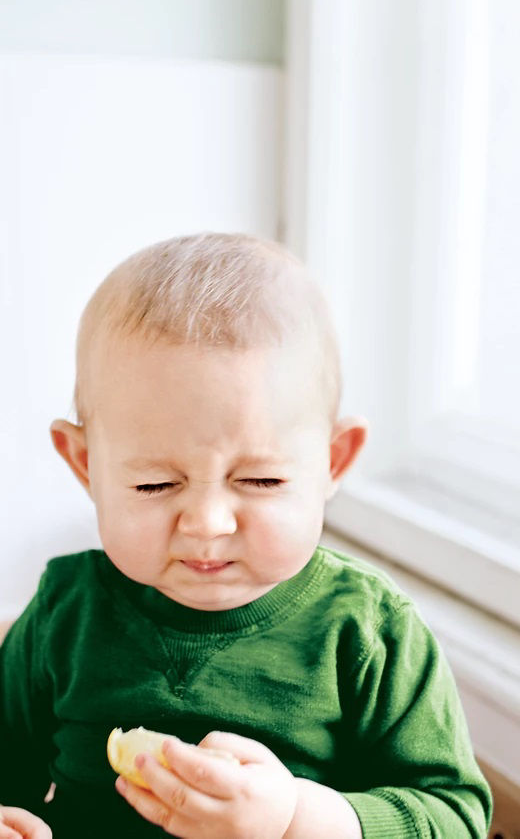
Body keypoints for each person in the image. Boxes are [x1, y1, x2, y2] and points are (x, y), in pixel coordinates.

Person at [0, 233, 492, 839]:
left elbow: (455, 816)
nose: (207, 523)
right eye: (155, 485)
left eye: (259, 479)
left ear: (332, 462)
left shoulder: (366, 628)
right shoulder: (65, 610)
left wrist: (297, 818)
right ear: (84, 466)